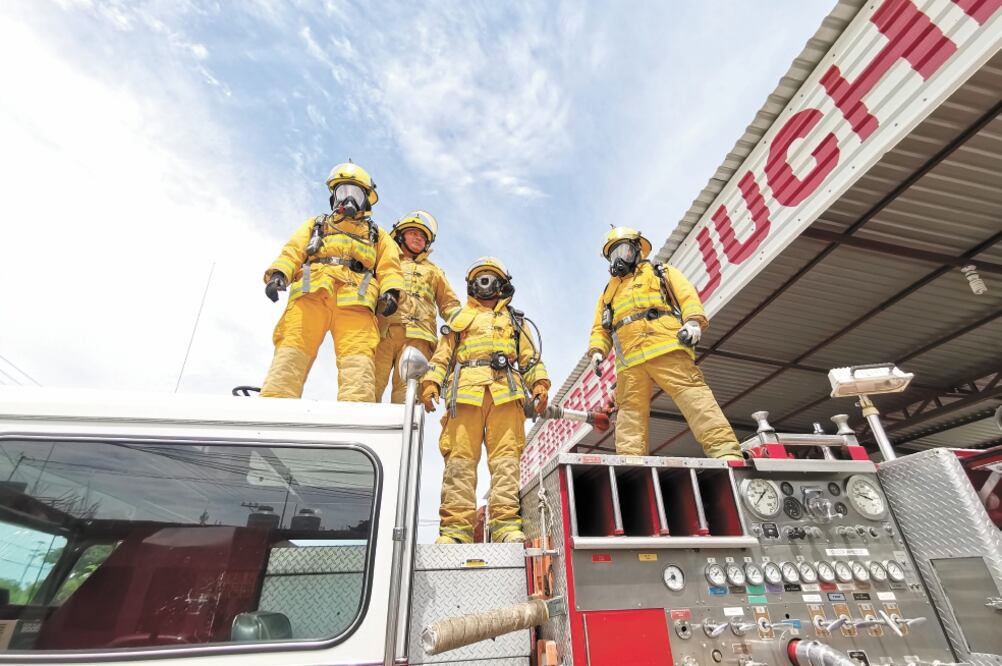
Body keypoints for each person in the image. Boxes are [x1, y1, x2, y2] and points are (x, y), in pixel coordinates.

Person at [421, 257, 549, 544]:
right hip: (465, 397)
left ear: (502, 284)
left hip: (506, 396)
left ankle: (506, 528)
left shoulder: (515, 321)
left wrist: (539, 384)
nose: (485, 282)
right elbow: (442, 357)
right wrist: (431, 382)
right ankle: (455, 532)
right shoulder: (459, 319)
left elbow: (529, 359)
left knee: (506, 463)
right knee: (459, 464)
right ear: (471, 285)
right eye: (480, 278)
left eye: (490, 277)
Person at [588, 227, 742, 460]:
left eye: (623, 250)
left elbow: (687, 296)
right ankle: (631, 465)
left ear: (637, 249)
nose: (619, 259)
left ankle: (725, 452)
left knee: (694, 398)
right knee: (629, 416)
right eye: (613, 254)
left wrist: (693, 322)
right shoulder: (608, 294)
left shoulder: (660, 272)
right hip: (630, 362)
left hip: (666, 346)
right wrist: (597, 351)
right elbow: (600, 328)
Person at [260, 162, 403, 401]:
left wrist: (392, 291)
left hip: (356, 304)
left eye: (355, 193)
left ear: (365, 200)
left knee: (358, 364)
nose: (348, 199)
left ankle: (355, 413)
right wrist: (279, 274)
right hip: (311, 297)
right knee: (291, 353)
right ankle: (275, 405)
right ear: (333, 197)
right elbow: (293, 251)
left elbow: (390, 267)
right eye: (342, 192)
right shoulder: (316, 225)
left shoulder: (378, 235)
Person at [374, 211, 461, 403]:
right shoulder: (385, 262)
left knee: (408, 398)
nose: (419, 237)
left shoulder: (434, 271)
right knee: (368, 387)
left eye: (423, 236)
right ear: (399, 236)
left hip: (419, 340)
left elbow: (449, 303)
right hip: (382, 335)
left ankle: (402, 424)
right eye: (413, 232)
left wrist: (463, 325)